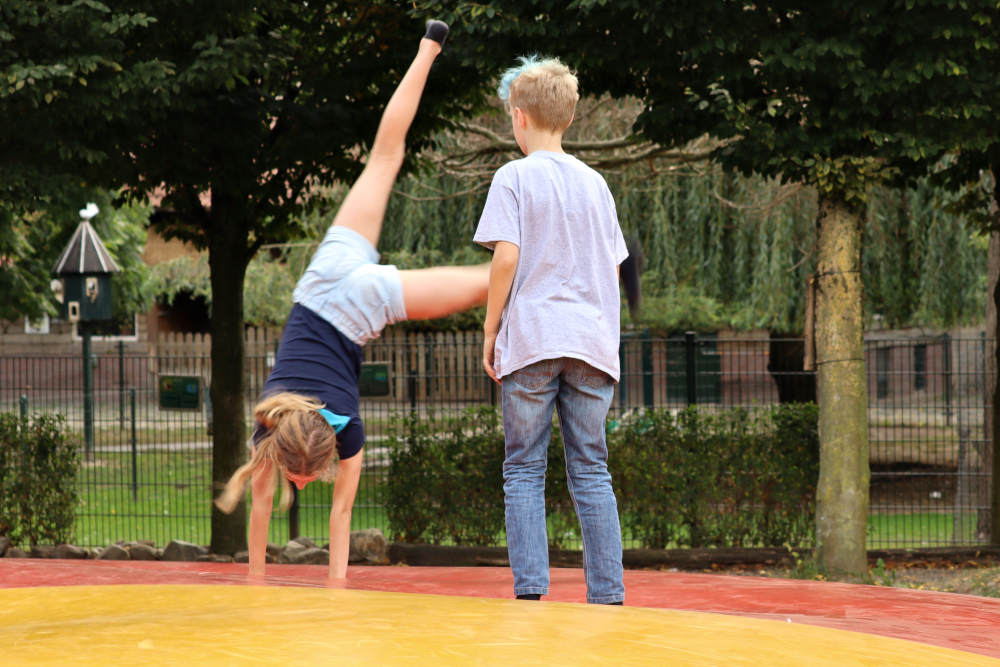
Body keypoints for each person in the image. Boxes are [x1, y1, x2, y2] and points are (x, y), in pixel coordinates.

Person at [215, 20, 489, 581]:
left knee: (486, 281)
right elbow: (275, 509)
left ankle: (584, 254)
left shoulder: (337, 435)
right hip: (320, 280)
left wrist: (265, 585)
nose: (312, 486)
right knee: (382, 159)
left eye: (310, 479)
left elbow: (336, 516)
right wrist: (259, 579)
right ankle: (427, 48)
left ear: (314, 455)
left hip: (359, 306)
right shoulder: (269, 424)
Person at [474, 56, 628, 605]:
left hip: (533, 339)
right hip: (590, 344)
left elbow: (506, 258)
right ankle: (608, 596)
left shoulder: (512, 178)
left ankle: (532, 595)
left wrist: (491, 331)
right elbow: (611, 270)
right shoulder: (597, 184)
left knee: (523, 469)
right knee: (591, 469)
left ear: (519, 117)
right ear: (567, 117)